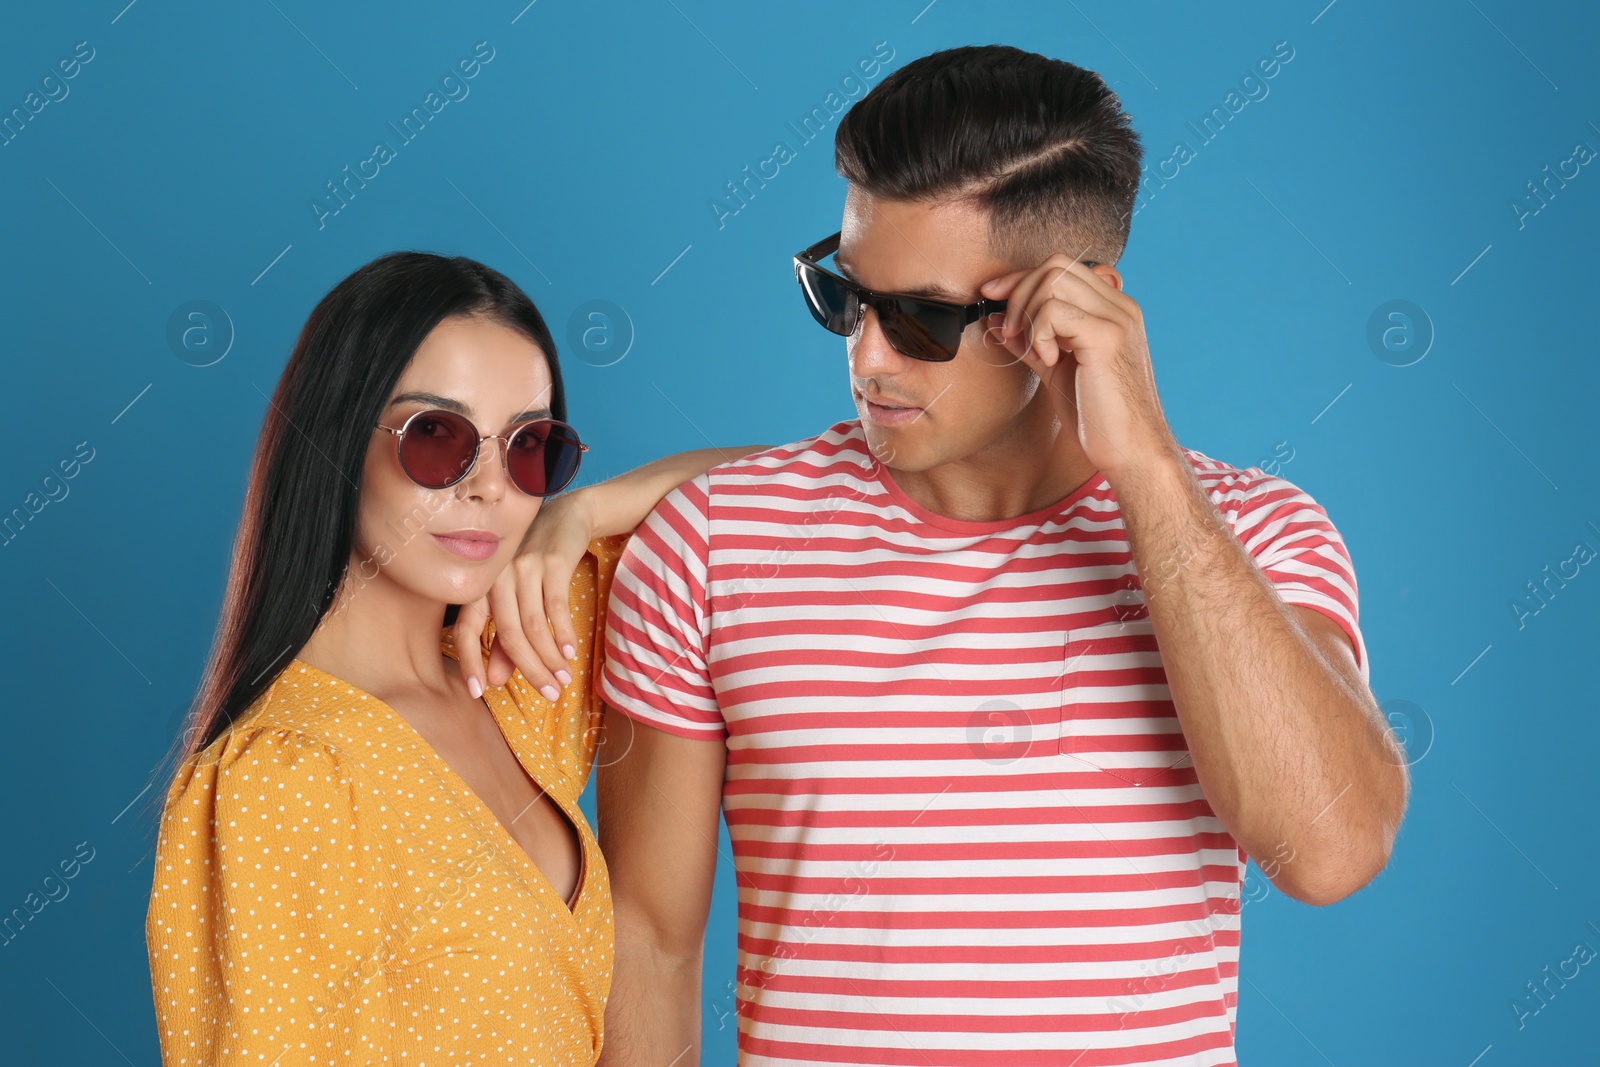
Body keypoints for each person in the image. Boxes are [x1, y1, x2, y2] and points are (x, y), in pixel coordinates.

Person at [585, 45, 1410, 1066]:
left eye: (922, 318)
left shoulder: (1255, 532)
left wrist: (1146, 468)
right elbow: (650, 941)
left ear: (1072, 304)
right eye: (844, 294)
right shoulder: (710, 543)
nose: (867, 356)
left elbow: (1329, 850)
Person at [143, 250, 765, 1065]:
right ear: (335, 434)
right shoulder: (287, 774)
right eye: (436, 436)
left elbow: (779, 485)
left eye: (529, 447)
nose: (488, 488)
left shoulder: (512, 660)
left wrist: (576, 514)